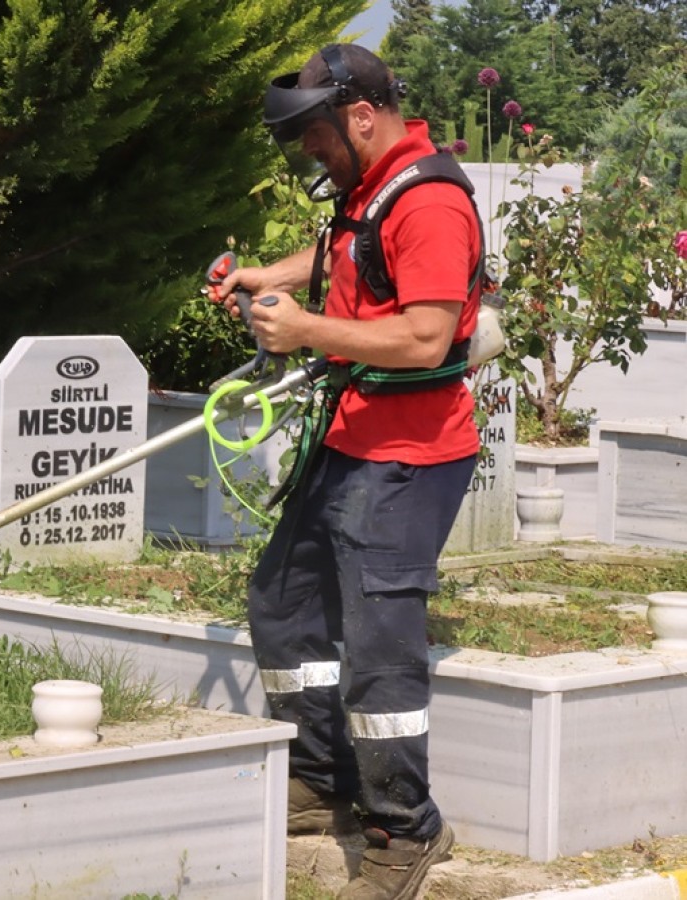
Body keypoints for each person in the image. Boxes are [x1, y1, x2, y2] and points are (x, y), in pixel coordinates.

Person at [211, 43, 481, 900]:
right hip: (353, 438)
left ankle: (405, 827)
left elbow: (426, 337)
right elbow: (344, 256)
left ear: (360, 116)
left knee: (378, 646)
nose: (310, 155)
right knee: (283, 601)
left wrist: (307, 334)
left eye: (317, 137)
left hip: (411, 456)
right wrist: (267, 276)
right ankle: (321, 776)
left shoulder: (431, 202)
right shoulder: (373, 189)